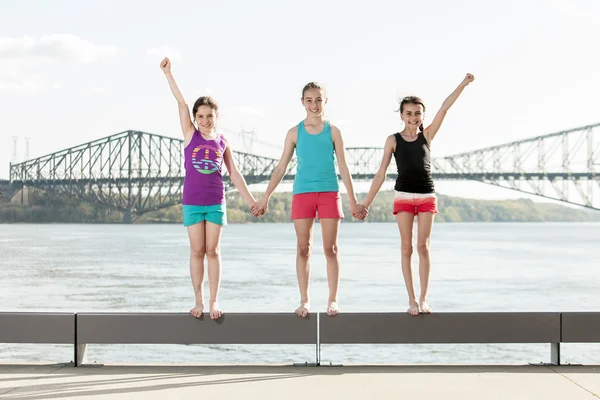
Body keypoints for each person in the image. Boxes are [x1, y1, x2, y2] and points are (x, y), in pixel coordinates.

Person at [360, 73, 475, 316]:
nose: (413, 117)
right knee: (406, 249)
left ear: (422, 116)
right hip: (403, 196)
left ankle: (424, 299)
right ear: (401, 115)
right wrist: (366, 204)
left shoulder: (427, 136)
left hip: (426, 196)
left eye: (417, 113)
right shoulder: (392, 140)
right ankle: (411, 300)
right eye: (409, 113)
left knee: (423, 247)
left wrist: (463, 84)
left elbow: (445, 106)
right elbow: (381, 173)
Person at [252, 82, 367, 318]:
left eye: (318, 100)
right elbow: (281, 167)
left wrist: (353, 201)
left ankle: (333, 300)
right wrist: (265, 198)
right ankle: (304, 300)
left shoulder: (333, 131)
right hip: (302, 192)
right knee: (303, 249)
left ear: (326, 101)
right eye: (309, 100)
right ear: (302, 102)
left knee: (331, 248)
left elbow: (344, 167)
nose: (314, 105)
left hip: (328, 192)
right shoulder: (294, 132)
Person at [160, 57, 259, 320]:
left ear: (217, 117)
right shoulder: (190, 135)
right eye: (200, 116)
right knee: (196, 251)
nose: (205, 120)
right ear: (195, 118)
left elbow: (235, 174)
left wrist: (252, 201)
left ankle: (214, 301)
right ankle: (198, 301)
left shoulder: (223, 141)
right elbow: (181, 102)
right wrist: (169, 74)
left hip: (215, 201)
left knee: (213, 251)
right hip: (192, 201)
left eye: (209, 116)